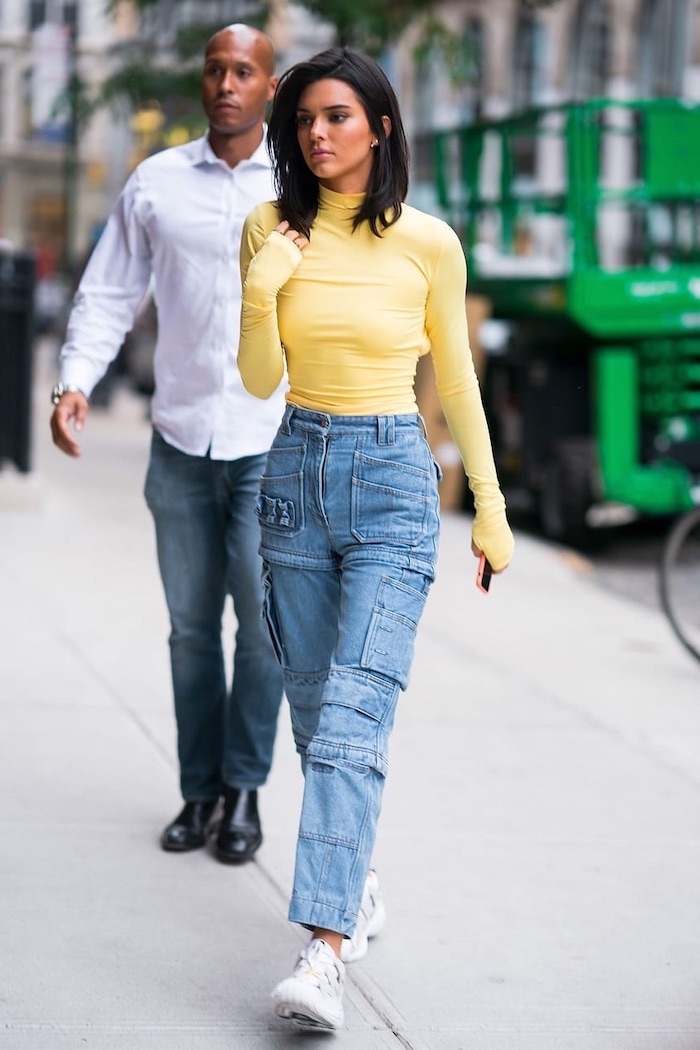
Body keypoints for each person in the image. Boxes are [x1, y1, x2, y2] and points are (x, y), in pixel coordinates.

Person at [237, 47, 514, 1030]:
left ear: (381, 127)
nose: (318, 134)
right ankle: (355, 884)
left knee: (354, 717)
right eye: (306, 119)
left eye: (339, 116)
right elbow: (262, 379)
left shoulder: (429, 243)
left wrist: (486, 503)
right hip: (294, 474)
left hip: (395, 479)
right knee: (316, 717)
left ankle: (322, 952)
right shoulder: (270, 229)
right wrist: (262, 288)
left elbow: (460, 383)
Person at [49, 24, 286, 865]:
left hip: (272, 442)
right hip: (182, 438)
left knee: (263, 632)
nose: (227, 83)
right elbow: (111, 291)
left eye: (244, 71)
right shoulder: (156, 181)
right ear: (204, 82)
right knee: (191, 629)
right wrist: (75, 380)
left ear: (269, 84)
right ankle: (199, 791)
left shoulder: (302, 182)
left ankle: (245, 785)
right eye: (216, 69)